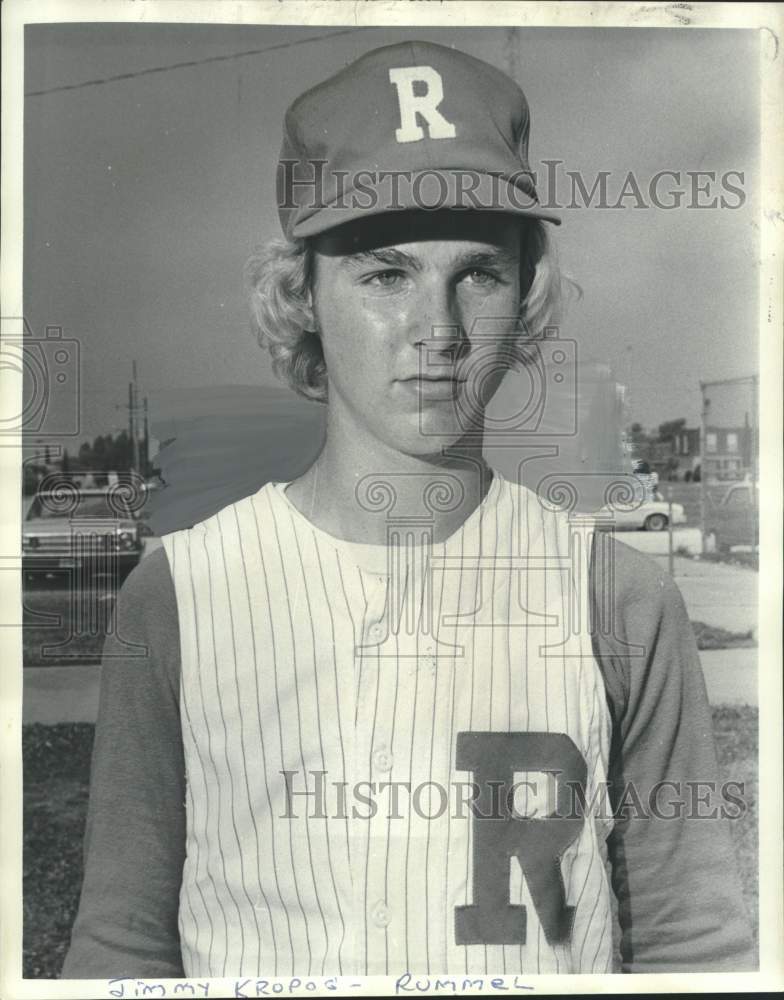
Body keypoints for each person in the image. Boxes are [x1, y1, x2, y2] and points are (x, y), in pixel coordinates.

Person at [63, 40, 753, 979]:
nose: (439, 331)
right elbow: (120, 950)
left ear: (529, 292)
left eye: (478, 273)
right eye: (384, 274)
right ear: (300, 293)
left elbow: (694, 945)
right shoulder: (180, 593)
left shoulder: (619, 600)